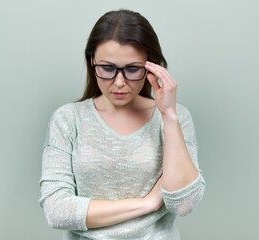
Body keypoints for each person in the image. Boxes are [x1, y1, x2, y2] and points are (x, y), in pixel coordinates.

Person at [39, 9, 205, 239]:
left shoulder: (176, 119)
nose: (119, 82)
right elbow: (57, 211)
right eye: (107, 68)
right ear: (92, 63)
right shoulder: (67, 119)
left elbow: (184, 203)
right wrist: (147, 204)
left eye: (132, 69)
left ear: (152, 67)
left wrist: (169, 115)